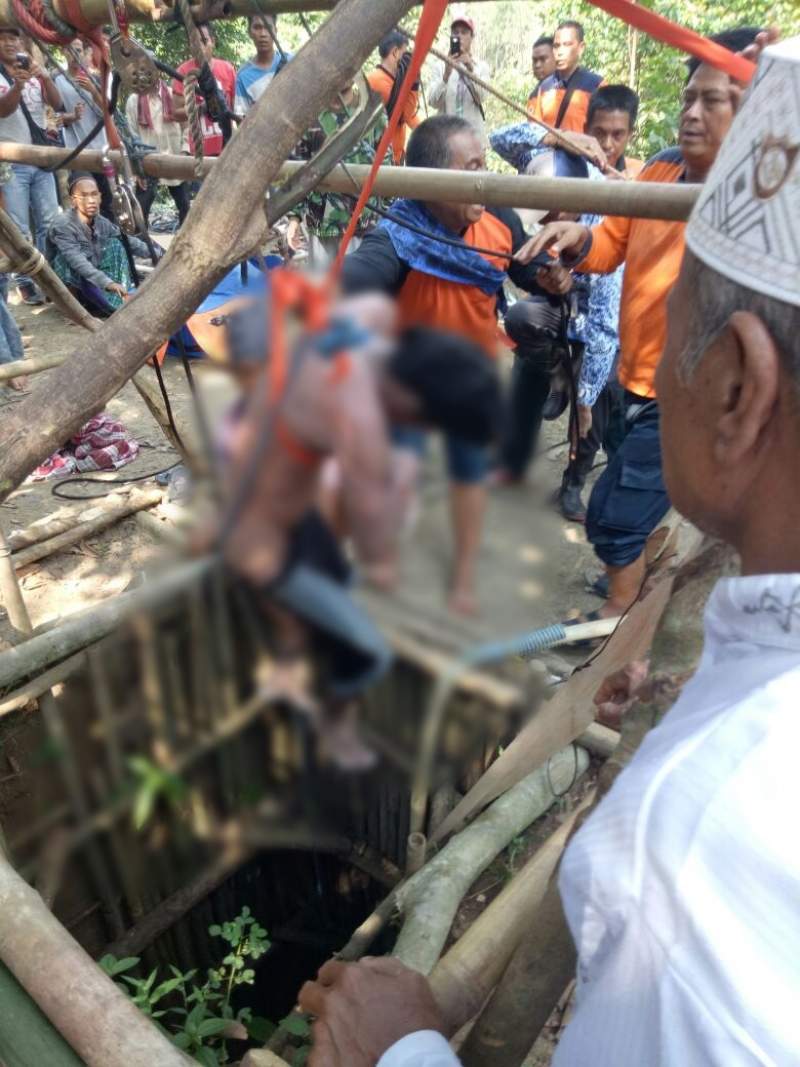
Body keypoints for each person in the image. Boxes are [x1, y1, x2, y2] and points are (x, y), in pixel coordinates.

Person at [297, 33, 800, 1066]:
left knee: (552, 512)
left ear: (737, 391)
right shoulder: (413, 235)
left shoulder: (694, 861)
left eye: (685, 321)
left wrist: (403, 1054)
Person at [514, 25, 762, 614]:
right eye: (688, 97)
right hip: (632, 377)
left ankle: (615, 621)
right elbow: (610, 246)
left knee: (612, 518)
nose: (693, 113)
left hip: (691, 400)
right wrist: (576, 241)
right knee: (640, 499)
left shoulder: (762, 191)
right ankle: (638, 574)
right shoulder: (659, 174)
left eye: (715, 100)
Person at [217, 289, 501, 768]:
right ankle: (335, 728)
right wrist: (406, 461)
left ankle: (290, 671)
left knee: (333, 594)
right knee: (369, 653)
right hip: (263, 544)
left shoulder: (354, 323)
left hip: (288, 514)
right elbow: (377, 551)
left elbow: (385, 309)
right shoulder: (362, 424)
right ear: (413, 406)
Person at [341, 114, 557, 615]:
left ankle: (461, 582)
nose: (484, 179)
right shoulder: (398, 234)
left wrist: (553, 279)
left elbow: (526, 269)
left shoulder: (498, 218)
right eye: (471, 168)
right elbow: (360, 276)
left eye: (485, 164)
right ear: (430, 183)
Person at [491, 85, 642, 520]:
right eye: (600, 133)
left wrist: (586, 396)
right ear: (587, 129)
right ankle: (516, 453)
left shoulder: (628, 189)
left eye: (619, 134)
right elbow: (502, 139)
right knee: (522, 328)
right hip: (557, 302)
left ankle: (574, 482)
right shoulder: (568, 161)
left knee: (596, 401)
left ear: (631, 134)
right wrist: (561, 138)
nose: (609, 145)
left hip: (602, 315)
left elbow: (607, 314)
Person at [295, 80, 387, 266]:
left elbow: (386, 162)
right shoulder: (309, 115)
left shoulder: (372, 111)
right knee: (323, 286)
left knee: (359, 286)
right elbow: (297, 169)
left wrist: (385, 212)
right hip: (322, 224)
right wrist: (294, 218)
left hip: (363, 223)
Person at [0, 27, 61, 306]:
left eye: (14, 37)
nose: (9, 42)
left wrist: (44, 76)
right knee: (19, 227)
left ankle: (51, 280)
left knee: (50, 223)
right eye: (2, 38)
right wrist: (18, 86)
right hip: (11, 163)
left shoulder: (34, 72)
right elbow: (3, 110)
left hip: (40, 160)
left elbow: (57, 104)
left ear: (23, 41)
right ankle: (26, 283)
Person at [47, 174, 157, 317]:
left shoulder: (101, 221)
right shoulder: (63, 225)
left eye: (94, 195)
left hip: (94, 274)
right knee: (65, 260)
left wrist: (158, 254)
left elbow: (129, 241)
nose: (91, 200)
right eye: (84, 196)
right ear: (74, 200)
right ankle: (73, 309)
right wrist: (107, 283)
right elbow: (78, 262)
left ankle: (112, 299)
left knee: (117, 244)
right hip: (75, 276)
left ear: (100, 197)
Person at [125, 79, 190, 228]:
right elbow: (132, 135)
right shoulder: (134, 100)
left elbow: (187, 126)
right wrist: (138, 168)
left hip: (174, 158)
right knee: (141, 210)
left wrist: (185, 152)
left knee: (185, 206)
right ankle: (142, 247)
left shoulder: (174, 96)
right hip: (148, 161)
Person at [171, 23, 236, 159]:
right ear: (189, 45)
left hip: (227, 148)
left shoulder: (227, 69)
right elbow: (176, 113)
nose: (200, 46)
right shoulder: (182, 72)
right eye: (194, 42)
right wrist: (201, 108)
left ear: (212, 41)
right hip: (199, 151)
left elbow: (235, 108)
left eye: (204, 41)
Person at [528, 20, 604, 135]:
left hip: (582, 151)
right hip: (549, 152)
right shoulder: (543, 88)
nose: (560, 52)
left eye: (567, 45)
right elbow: (533, 133)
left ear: (581, 48)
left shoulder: (597, 85)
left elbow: (605, 131)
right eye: (556, 46)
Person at [428, 13, 490, 145]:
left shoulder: (481, 67)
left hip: (473, 138)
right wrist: (446, 74)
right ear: (451, 36)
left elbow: (482, 97)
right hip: (446, 139)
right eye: (456, 32)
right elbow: (433, 102)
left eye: (464, 32)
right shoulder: (440, 65)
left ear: (472, 37)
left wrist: (470, 68)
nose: (459, 36)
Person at [366, 30, 420, 164]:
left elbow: (411, 117)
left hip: (395, 158)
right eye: (404, 53)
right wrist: (414, 84)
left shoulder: (392, 82)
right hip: (382, 161)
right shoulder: (377, 81)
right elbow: (403, 115)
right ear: (395, 52)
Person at [235, 13, 290, 115]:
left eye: (268, 27)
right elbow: (241, 119)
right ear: (249, 32)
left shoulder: (290, 62)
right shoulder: (242, 76)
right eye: (257, 27)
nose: (263, 34)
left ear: (275, 31)